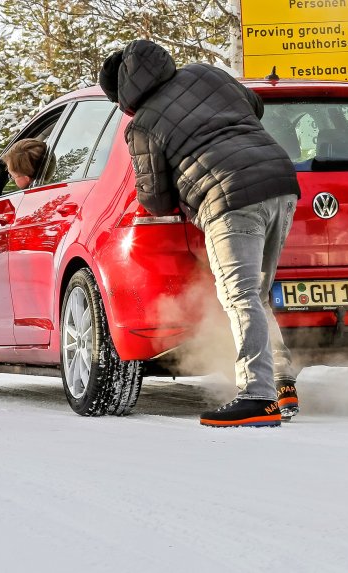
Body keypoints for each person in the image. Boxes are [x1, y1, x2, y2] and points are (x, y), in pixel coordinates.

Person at [99, 40, 301, 427]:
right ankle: (281, 382)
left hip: (229, 197)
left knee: (239, 296)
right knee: (256, 294)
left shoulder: (142, 125)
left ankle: (257, 397)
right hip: (281, 182)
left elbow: (155, 199)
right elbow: (255, 107)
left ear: (123, 92)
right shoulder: (205, 73)